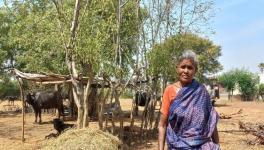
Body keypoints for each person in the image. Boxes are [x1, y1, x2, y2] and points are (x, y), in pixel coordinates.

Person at [158, 50, 220, 150]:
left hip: (201, 145)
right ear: (177, 68)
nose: (186, 71)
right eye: (183, 67)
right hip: (177, 145)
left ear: (195, 70)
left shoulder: (201, 91)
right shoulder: (169, 90)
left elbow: (211, 121)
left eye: (190, 68)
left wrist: (217, 144)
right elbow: (162, 125)